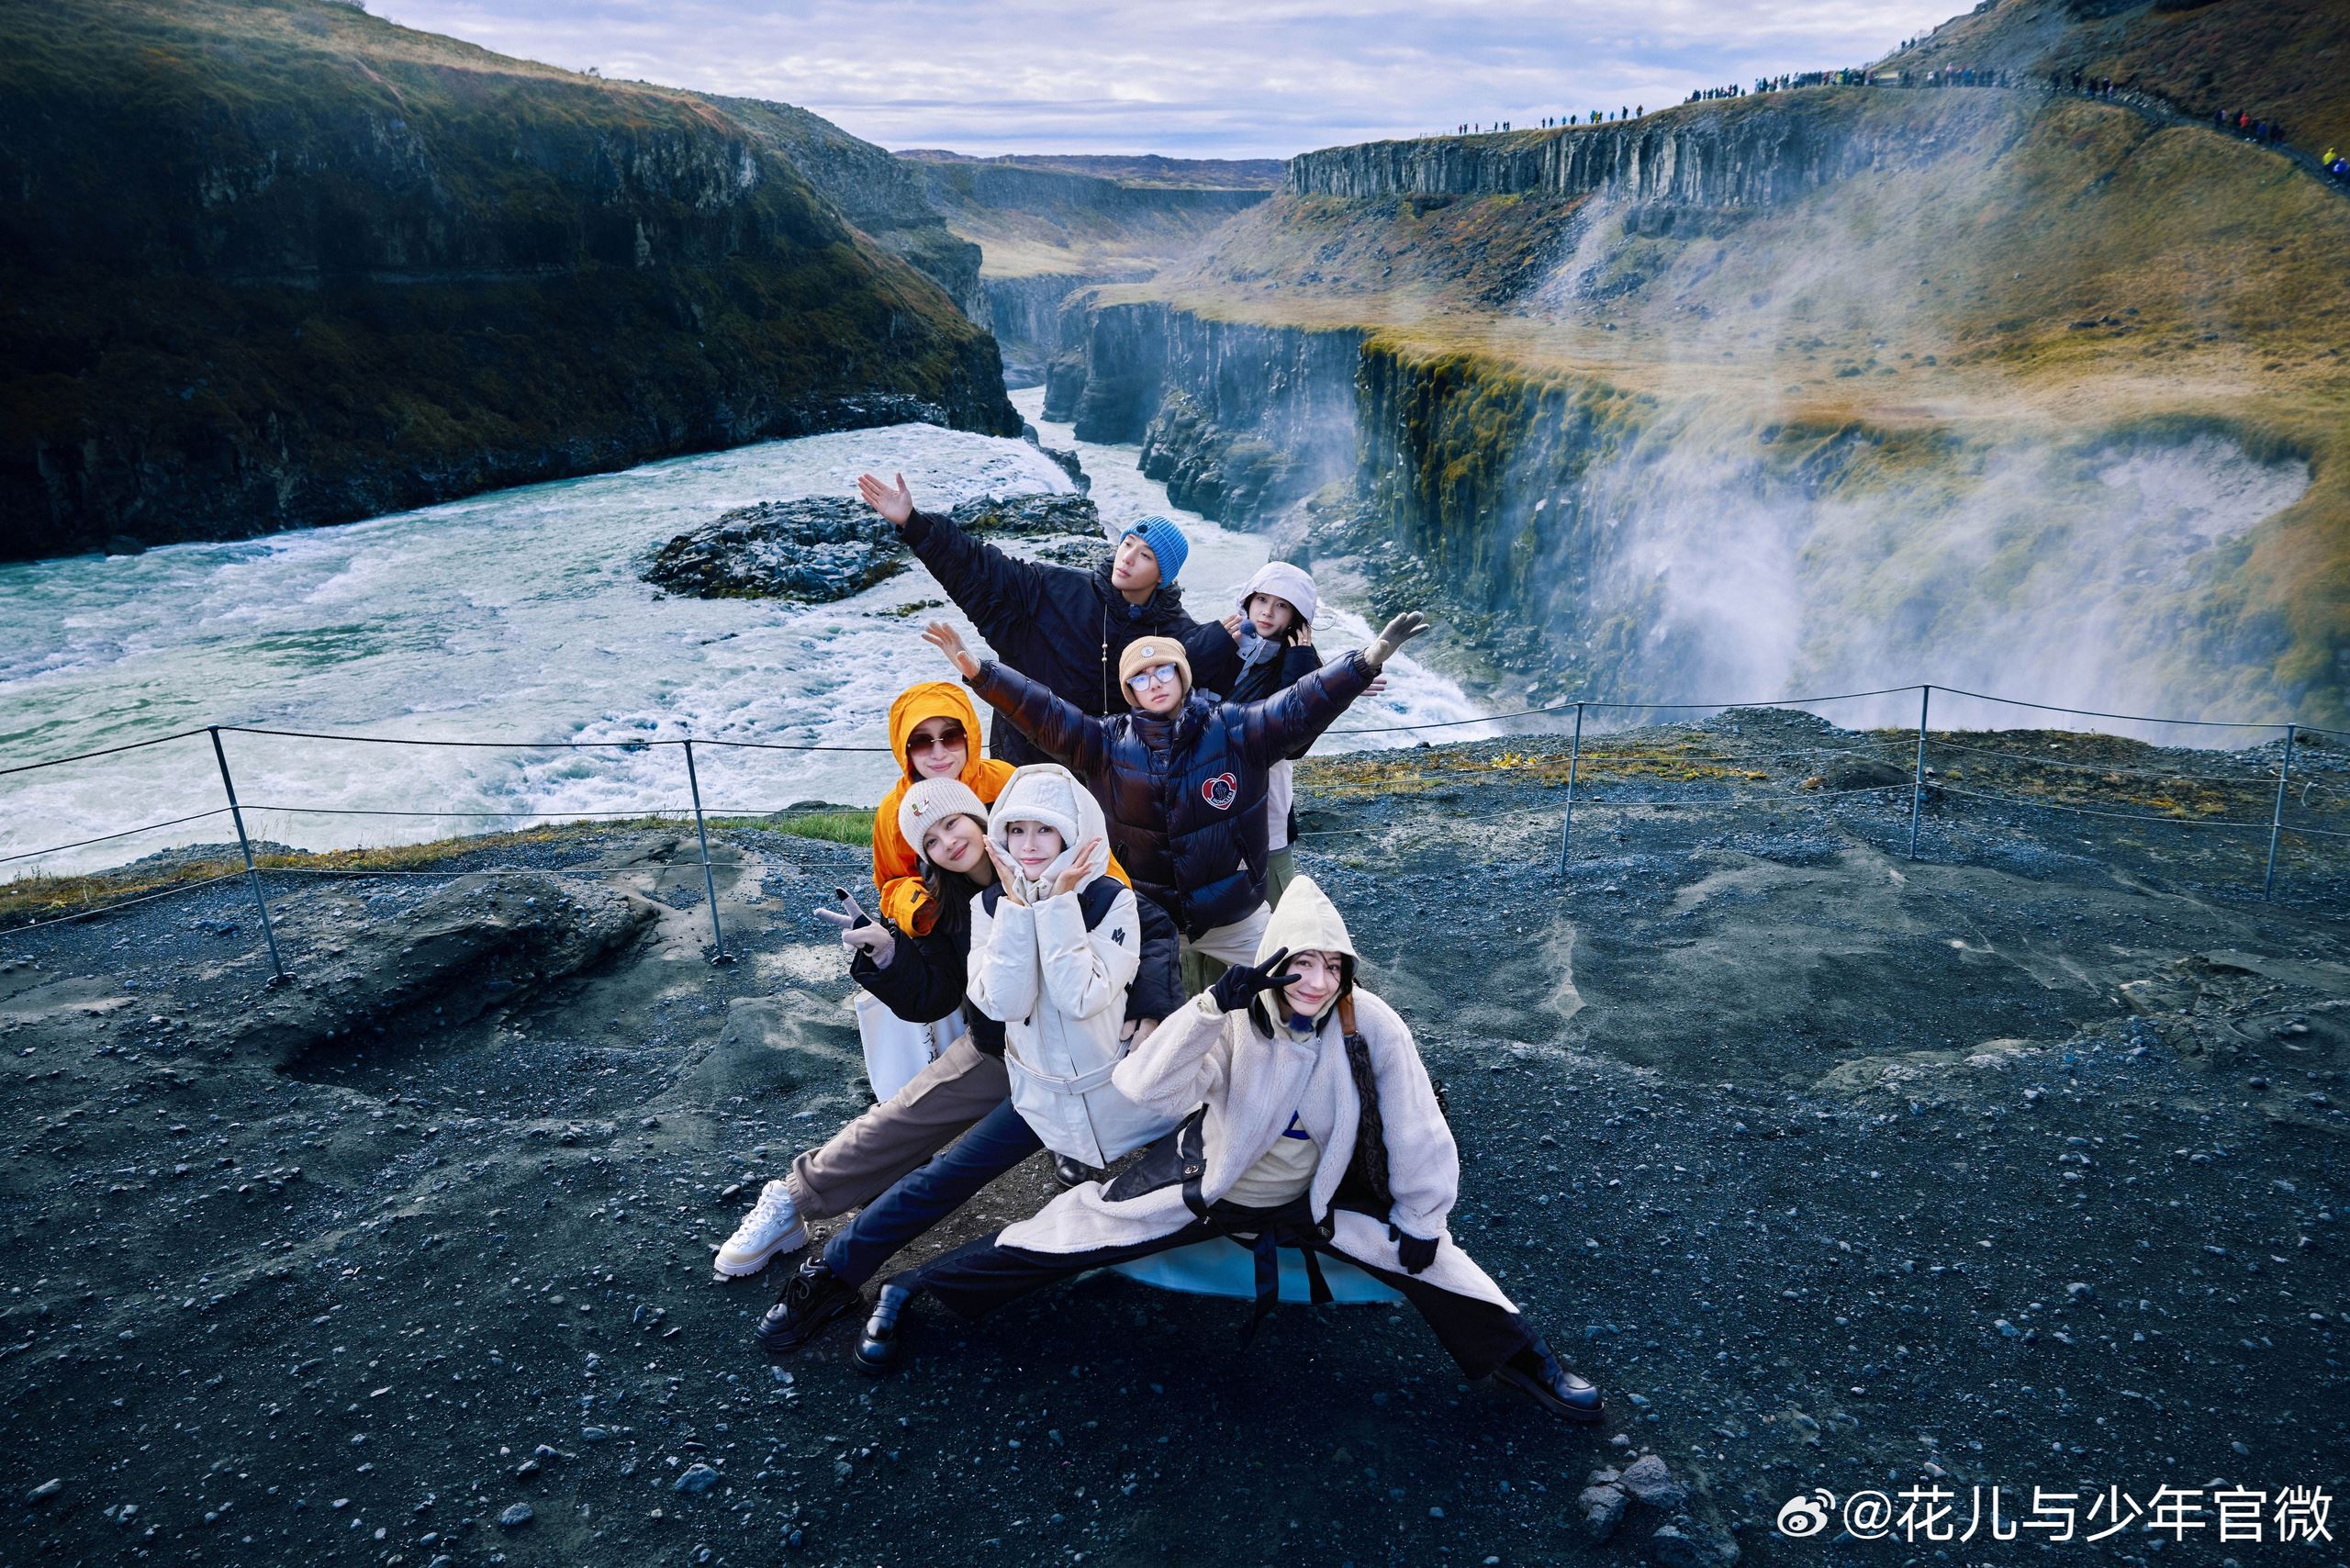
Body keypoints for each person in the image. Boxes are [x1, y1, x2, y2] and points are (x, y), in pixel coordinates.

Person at [853, 876, 1606, 1422]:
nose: (1316, 982)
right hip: (1210, 1185)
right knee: (1068, 1232)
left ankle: (1529, 1363)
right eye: (1300, 965)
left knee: (1442, 1266)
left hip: (1323, 1197)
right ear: (1274, 965)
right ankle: (912, 1288)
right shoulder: (1236, 1020)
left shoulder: (1368, 1022)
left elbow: (1416, 1125)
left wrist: (1421, 1217)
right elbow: (1145, 1087)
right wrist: (1211, 1006)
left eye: (1331, 966)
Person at [754, 769, 1177, 1352]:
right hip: (1024, 1066)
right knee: (937, 1159)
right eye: (930, 838)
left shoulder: (1104, 891)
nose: (950, 841)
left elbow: (1142, 946)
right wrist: (887, 952)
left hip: (1116, 1066)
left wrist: (1152, 1014)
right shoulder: (964, 903)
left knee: (1195, 1154)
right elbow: (960, 995)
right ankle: (829, 1263)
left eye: (955, 822)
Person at [918, 604, 1427, 982]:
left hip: (1236, 912)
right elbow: (1044, 712)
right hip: (1148, 918)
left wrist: (1365, 661)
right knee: (1164, 1026)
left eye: (1163, 669)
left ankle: (1366, 1068)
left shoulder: (1233, 728)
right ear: (1129, 691)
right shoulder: (1104, 744)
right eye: (1139, 677)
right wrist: (980, 674)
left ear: (1182, 676)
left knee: (1303, 979)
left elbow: (1298, 705)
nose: (1154, 681)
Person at [856, 472, 1241, 767]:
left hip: (1111, 779)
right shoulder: (1055, 588)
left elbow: (1224, 699)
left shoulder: (1176, 632)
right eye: (1127, 544)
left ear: (1163, 575)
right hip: (1024, 764)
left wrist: (1255, 635)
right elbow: (979, 567)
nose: (1127, 558)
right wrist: (914, 524)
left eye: (1145, 556)